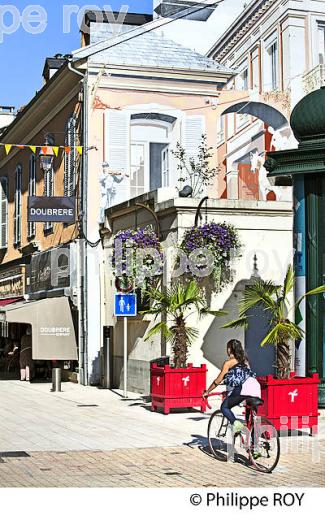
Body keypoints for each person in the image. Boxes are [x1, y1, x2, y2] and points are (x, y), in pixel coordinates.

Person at [203, 339, 261, 434]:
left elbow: (218, 380)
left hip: (243, 389)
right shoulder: (245, 360)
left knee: (224, 407)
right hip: (255, 387)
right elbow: (244, 376)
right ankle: (254, 444)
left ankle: (236, 424)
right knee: (250, 417)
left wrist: (208, 391)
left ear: (230, 349)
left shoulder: (229, 363)